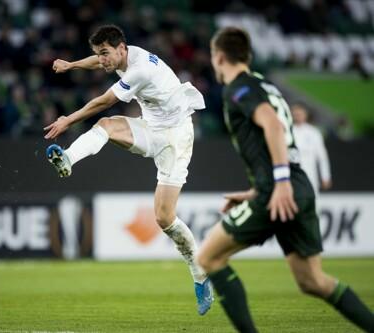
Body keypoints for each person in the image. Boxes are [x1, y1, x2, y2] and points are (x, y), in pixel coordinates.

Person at [196, 26, 374, 332]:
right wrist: (258, 190)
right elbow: (280, 146)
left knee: (208, 257)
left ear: (219, 56)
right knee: (313, 281)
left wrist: (277, 184)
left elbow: (273, 126)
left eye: (213, 56)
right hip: (297, 188)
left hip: (280, 190)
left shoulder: (240, 88)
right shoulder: (265, 85)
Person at [43, 24, 213, 315]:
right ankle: (68, 159)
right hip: (151, 128)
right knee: (107, 127)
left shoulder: (140, 69)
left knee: (164, 217)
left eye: (106, 53)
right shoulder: (121, 56)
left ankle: (199, 274)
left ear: (122, 48)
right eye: (99, 54)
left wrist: (68, 120)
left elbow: (104, 101)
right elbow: (98, 61)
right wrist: (72, 64)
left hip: (176, 138)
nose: (102, 60)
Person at [291, 104, 332, 195]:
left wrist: (325, 176)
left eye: (300, 114)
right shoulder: (288, 131)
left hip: (310, 175)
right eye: (295, 114)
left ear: (306, 115)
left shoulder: (314, 133)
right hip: (293, 176)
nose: (298, 116)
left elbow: (322, 157)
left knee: (312, 202)